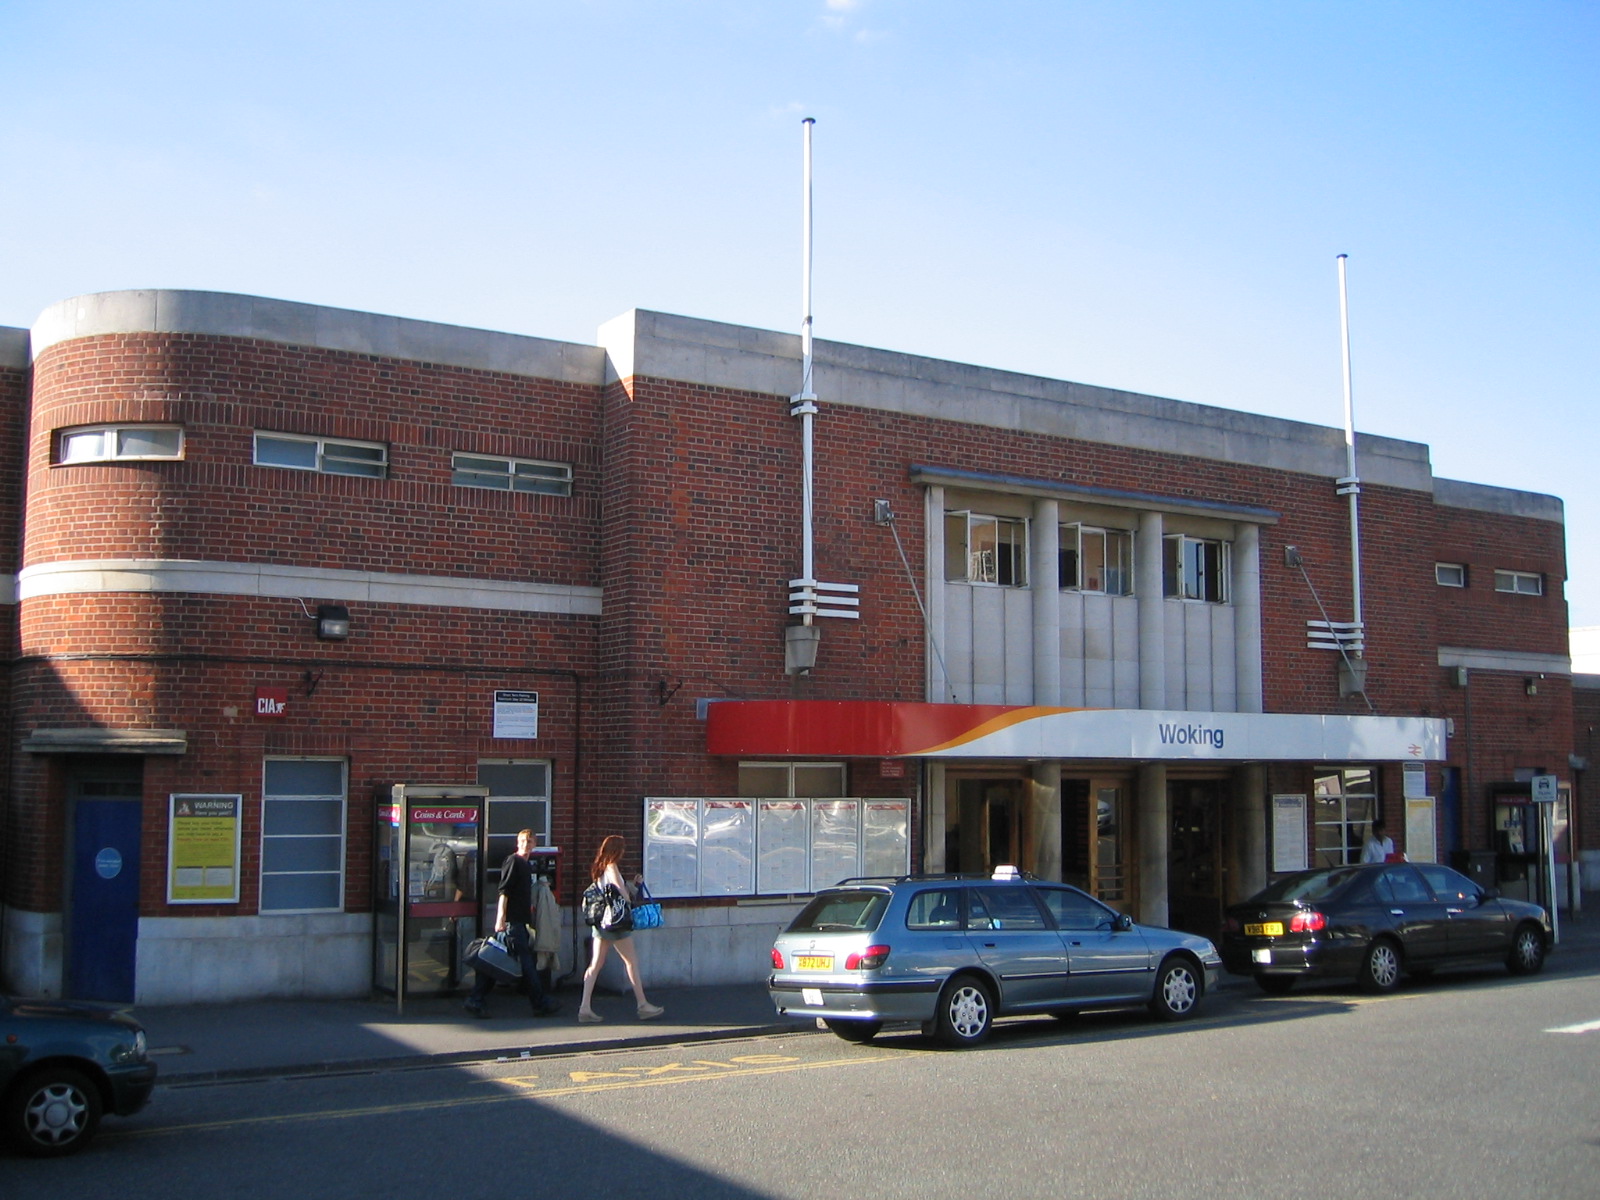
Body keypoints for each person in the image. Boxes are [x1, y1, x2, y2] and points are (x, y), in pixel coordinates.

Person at [464, 829, 559, 1018]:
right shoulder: (513, 861)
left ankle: (476, 999)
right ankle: (540, 1003)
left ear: (534, 844)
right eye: (523, 840)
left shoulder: (525, 865)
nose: (526, 844)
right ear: (517, 842)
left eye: (529, 841)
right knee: (526, 964)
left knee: (495, 959)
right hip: (511, 923)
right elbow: (503, 891)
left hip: (519, 922)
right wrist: (500, 918)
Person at [577, 835, 664, 1023]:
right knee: (631, 962)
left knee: (595, 965)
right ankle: (643, 1005)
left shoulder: (600, 869)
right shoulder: (611, 867)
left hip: (602, 924)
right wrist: (630, 897)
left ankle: (585, 1007)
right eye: (622, 848)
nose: (624, 852)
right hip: (616, 925)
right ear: (617, 850)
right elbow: (621, 892)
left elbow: (615, 889)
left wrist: (633, 884)